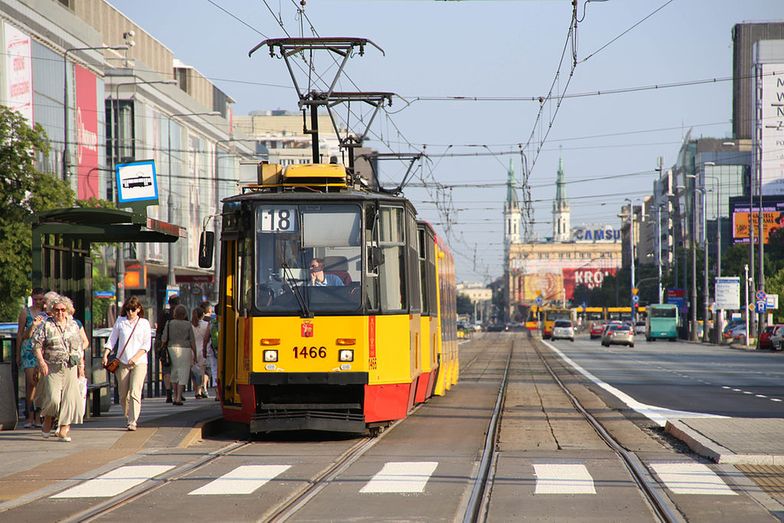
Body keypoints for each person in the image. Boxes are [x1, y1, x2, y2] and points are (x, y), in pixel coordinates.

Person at [32, 295, 85, 442]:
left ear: (67, 310)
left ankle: (63, 430)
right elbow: (36, 345)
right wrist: (41, 363)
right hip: (52, 366)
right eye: (57, 310)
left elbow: (79, 347)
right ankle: (48, 419)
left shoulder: (74, 325)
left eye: (63, 310)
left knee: (70, 398)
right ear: (52, 310)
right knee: (53, 398)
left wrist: (81, 366)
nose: (60, 313)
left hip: (70, 366)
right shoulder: (46, 325)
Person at [102, 296, 152, 431]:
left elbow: (147, 344)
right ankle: (128, 415)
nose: (130, 312)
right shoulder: (120, 321)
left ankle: (132, 421)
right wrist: (106, 353)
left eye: (133, 309)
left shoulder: (144, 323)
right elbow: (112, 339)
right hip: (122, 362)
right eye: (128, 309)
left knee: (135, 391)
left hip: (139, 362)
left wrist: (136, 357)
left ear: (139, 309)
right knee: (123, 394)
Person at [16, 288, 47, 428]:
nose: (38, 302)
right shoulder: (25, 313)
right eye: (36, 299)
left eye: (41, 299)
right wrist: (17, 354)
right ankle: (30, 416)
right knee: (31, 383)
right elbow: (20, 334)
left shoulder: (47, 314)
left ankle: (38, 415)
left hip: (42, 350)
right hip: (28, 350)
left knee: (40, 383)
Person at [160, 304, 196, 406]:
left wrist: (162, 348)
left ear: (175, 314)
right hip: (185, 349)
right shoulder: (188, 324)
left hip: (171, 348)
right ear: (184, 314)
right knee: (183, 373)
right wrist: (195, 354)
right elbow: (192, 340)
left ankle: (174, 395)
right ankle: (179, 397)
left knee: (174, 373)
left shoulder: (169, 323)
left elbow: (164, 338)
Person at [155, 295, 179, 403]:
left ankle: (168, 393)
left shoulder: (164, 314)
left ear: (169, 303)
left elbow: (159, 330)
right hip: (179, 346)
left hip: (165, 345)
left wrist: (158, 345)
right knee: (177, 370)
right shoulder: (182, 314)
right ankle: (178, 394)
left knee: (166, 370)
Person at [190, 306, 209, 399]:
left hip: (192, 350)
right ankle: (202, 388)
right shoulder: (206, 324)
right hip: (203, 350)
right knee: (202, 371)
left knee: (194, 372)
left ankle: (197, 391)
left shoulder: (190, 325)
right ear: (203, 315)